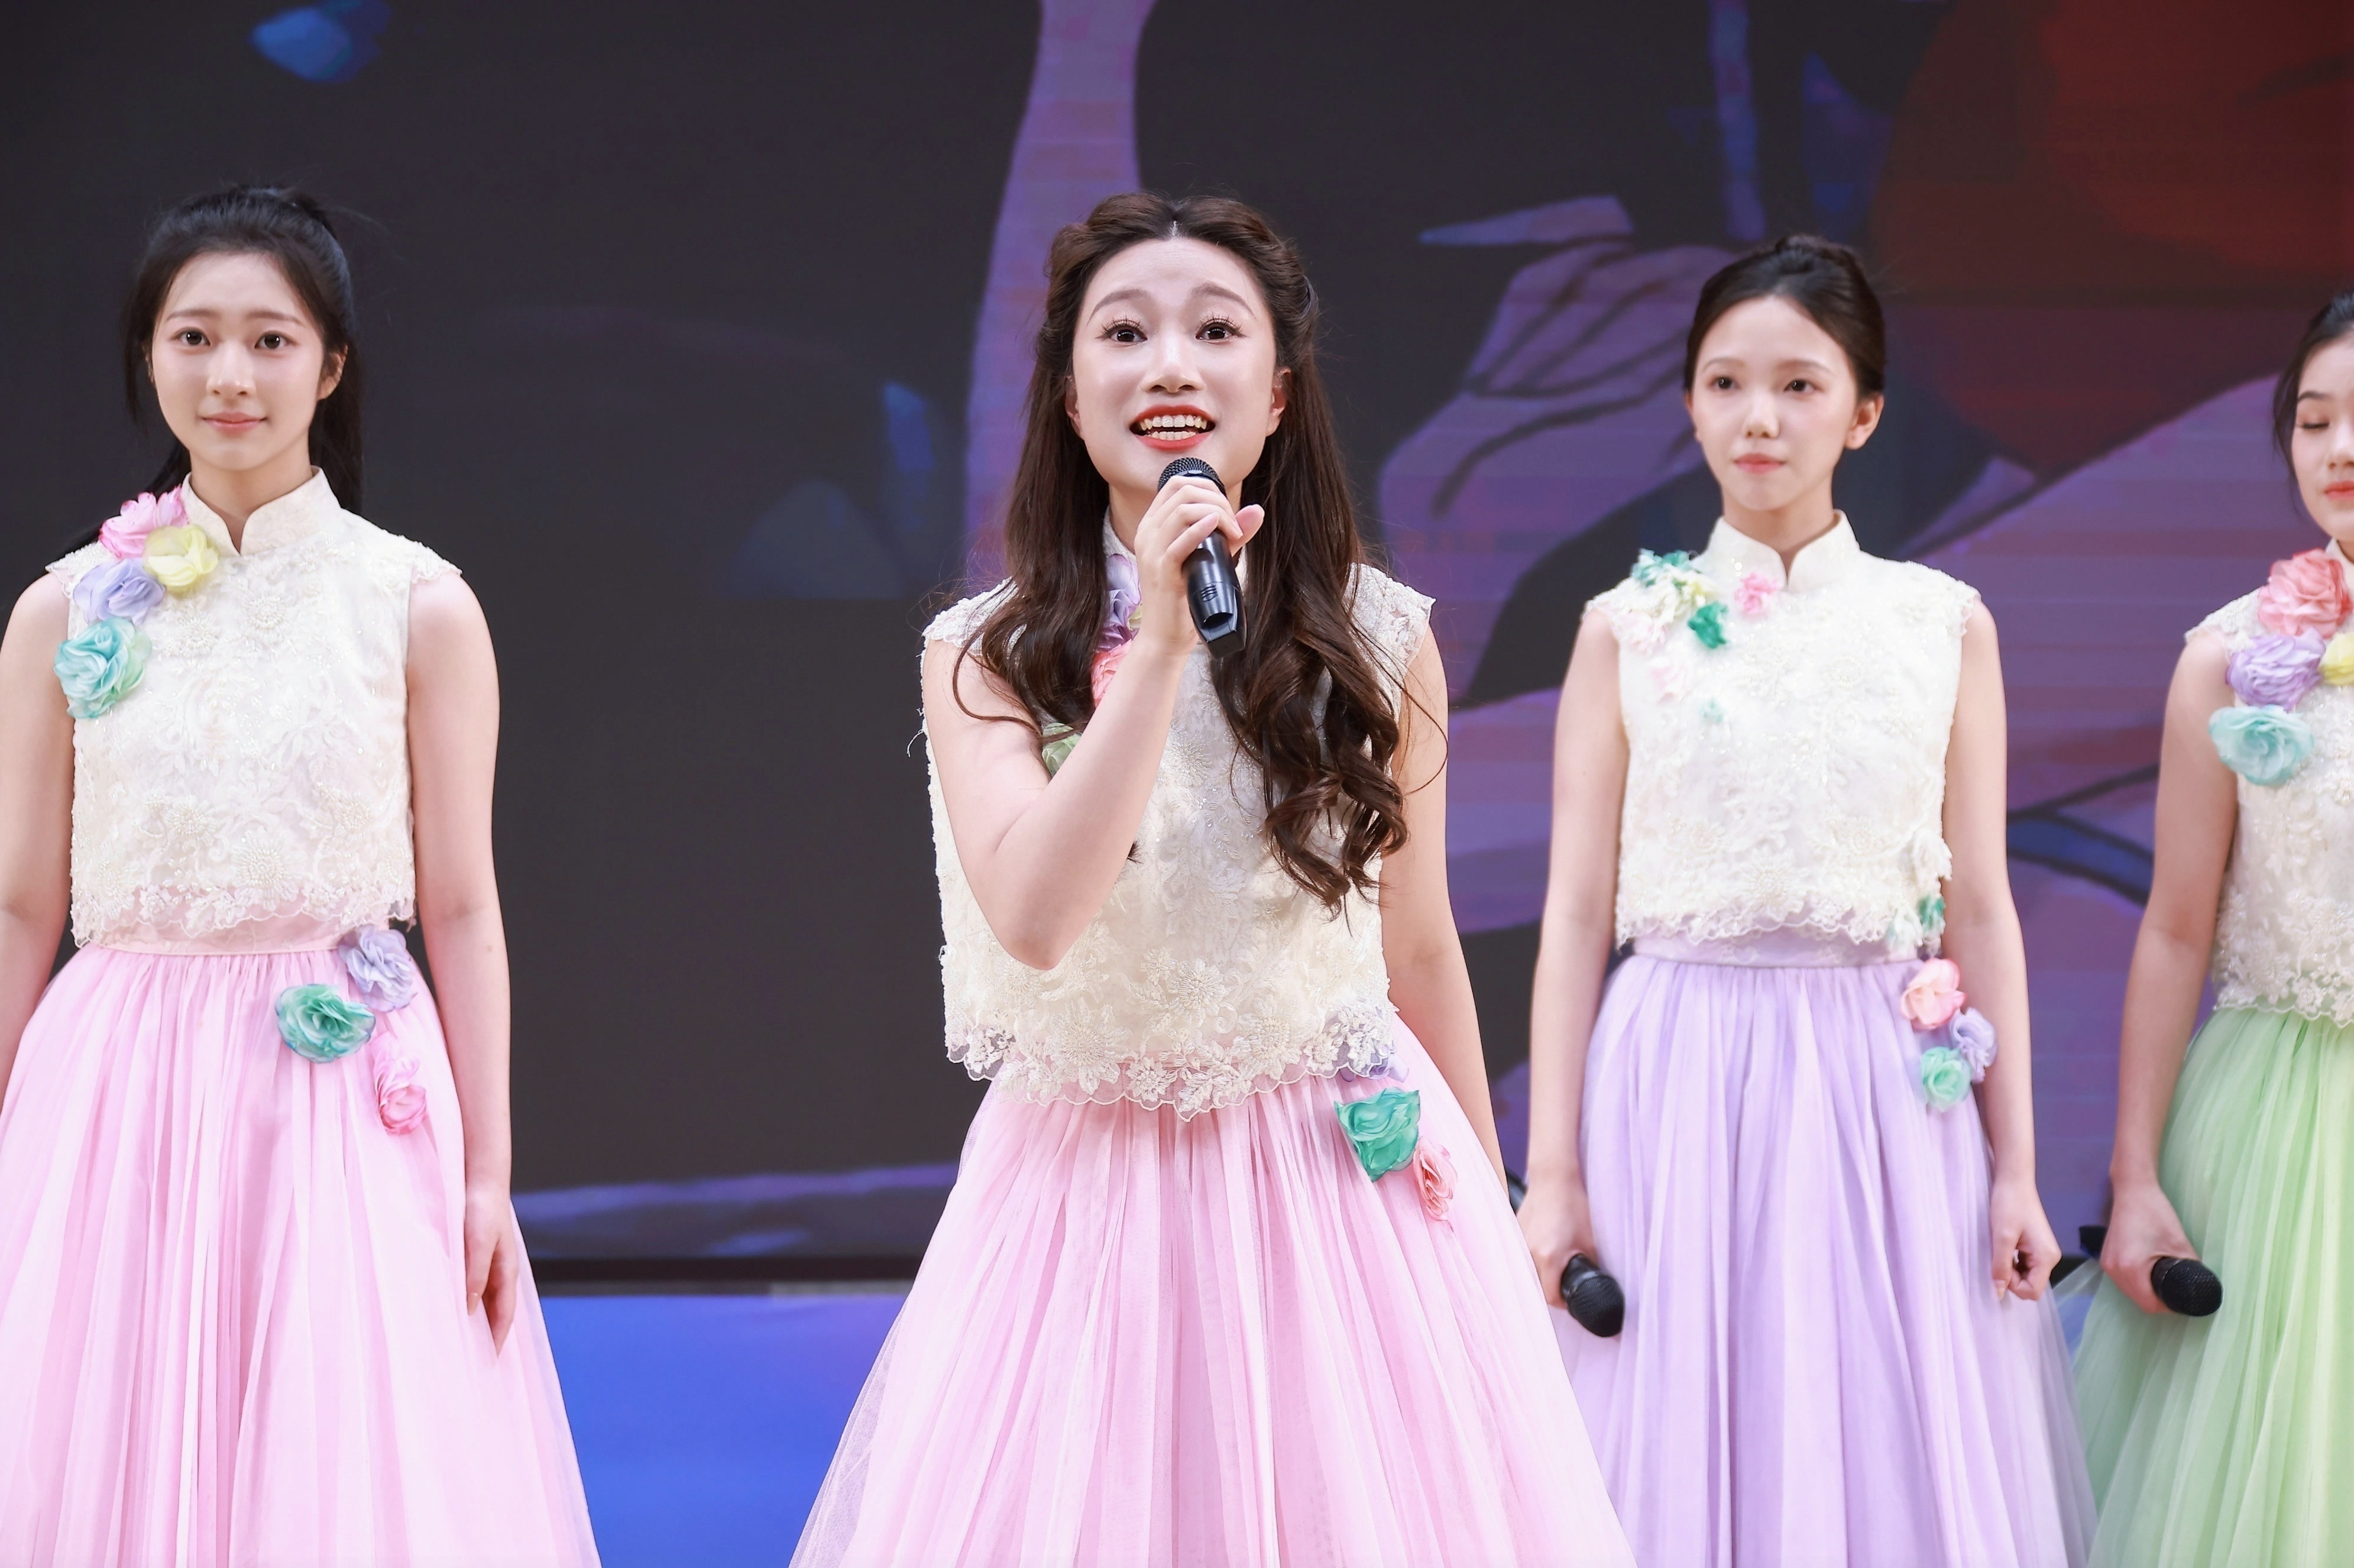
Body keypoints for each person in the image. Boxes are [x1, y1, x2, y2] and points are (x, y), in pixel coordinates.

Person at [792, 192, 1631, 1567]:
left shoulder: (1377, 637)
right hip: (1089, 1191)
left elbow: (1418, 951)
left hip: (1335, 1184)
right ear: (1070, 398)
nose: (1169, 364)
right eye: (1124, 333)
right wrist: (1161, 650)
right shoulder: (985, 654)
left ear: (1278, 395)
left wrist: (1484, 1218)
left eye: (1215, 330)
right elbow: (1035, 917)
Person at [0, 187, 597, 1565]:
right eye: (193, 337)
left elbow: (461, 906)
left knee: (336, 1475)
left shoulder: (417, 604)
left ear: (329, 369)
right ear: (148, 357)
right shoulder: (63, 610)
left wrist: (489, 1171)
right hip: (115, 1087)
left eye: (270, 341)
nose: (230, 374)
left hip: (339, 1090)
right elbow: (24, 903)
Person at [1518, 234, 2093, 1566]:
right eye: (1724, 383)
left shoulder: (1940, 623)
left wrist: (2014, 1169)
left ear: (1863, 411)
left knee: (1882, 1440)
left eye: (1797, 385)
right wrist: (1551, 1176)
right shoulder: (1624, 625)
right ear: (1689, 405)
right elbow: (1572, 917)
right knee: (1677, 1431)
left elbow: (1981, 908)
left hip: (1882, 1083)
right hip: (1675, 1071)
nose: (1758, 419)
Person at [2072, 294, 2354, 1565]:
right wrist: (2134, 1178)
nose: (2336, 449)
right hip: (2271, 1133)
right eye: (2312, 419)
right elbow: (2176, 931)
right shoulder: (2226, 664)